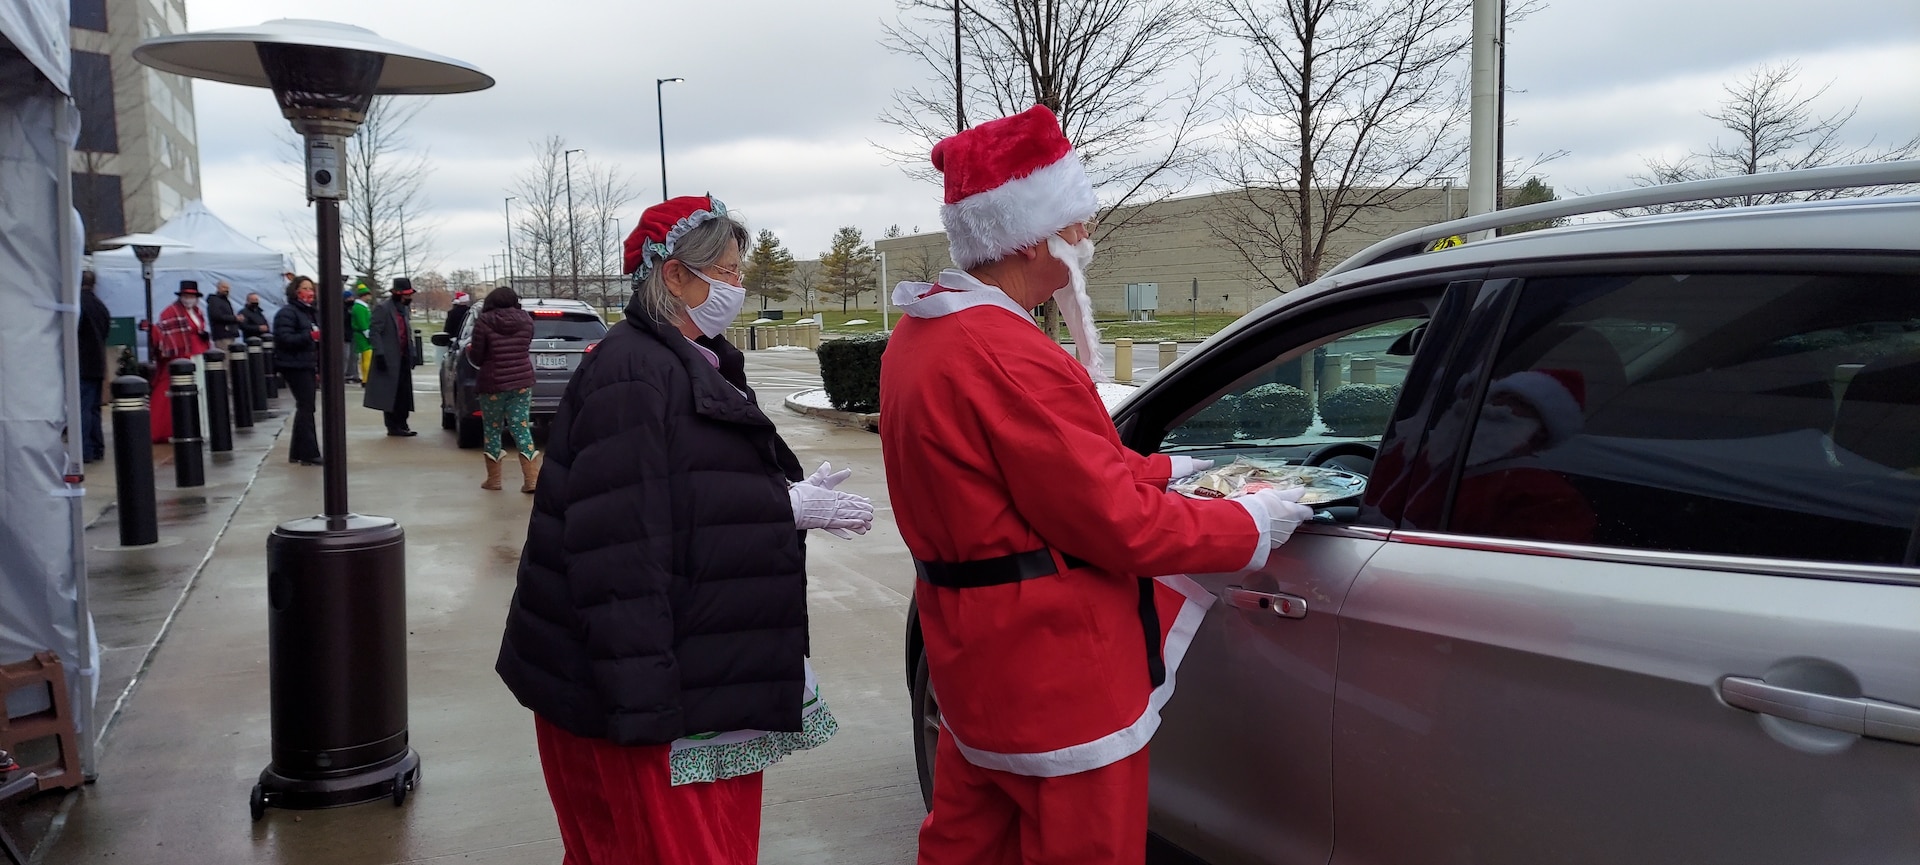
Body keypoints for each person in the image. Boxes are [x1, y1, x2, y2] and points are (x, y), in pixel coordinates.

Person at [877, 106, 1314, 865]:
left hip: (975, 667)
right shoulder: (1008, 350)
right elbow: (1119, 524)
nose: (1085, 239)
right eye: (1076, 223)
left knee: (964, 848)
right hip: (1057, 682)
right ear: (1030, 232)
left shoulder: (923, 336)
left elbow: (1030, 479)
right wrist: (1253, 522)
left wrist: (1172, 469)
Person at [496, 195, 876, 865]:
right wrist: (643, 716)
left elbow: (687, 492)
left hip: (683, 674)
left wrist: (778, 497)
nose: (738, 286)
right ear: (674, 276)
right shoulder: (635, 372)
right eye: (726, 272)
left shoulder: (687, 359)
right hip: (647, 696)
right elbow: (618, 550)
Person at [467, 286, 539, 492]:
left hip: (493, 383)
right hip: (522, 381)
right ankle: (531, 479)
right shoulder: (526, 320)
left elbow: (478, 357)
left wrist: (473, 353)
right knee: (521, 426)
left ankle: (494, 480)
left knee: (492, 429)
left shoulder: (484, 321)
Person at [151, 280, 213, 443]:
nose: (188, 299)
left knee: (199, 391)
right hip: (182, 357)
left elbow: (198, 329)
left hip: (198, 354)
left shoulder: (197, 311)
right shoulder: (170, 312)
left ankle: (200, 425)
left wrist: (203, 336)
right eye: (186, 296)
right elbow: (164, 333)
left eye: (191, 296)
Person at [272, 276, 323, 466]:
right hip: (294, 365)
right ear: (295, 291)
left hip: (306, 363)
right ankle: (309, 452)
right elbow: (284, 338)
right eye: (304, 288)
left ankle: (298, 451)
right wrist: (309, 336)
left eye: (311, 288)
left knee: (305, 406)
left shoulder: (311, 313)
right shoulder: (287, 313)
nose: (309, 292)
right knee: (306, 406)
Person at [364, 278, 417, 436]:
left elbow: (407, 332)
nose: (409, 298)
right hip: (389, 358)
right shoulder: (383, 308)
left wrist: (412, 352)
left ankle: (403, 422)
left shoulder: (405, 310)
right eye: (406, 295)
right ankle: (393, 426)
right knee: (390, 393)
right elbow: (375, 332)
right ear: (398, 294)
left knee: (404, 393)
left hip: (403, 358)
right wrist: (379, 353)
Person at [77, 271, 112, 462]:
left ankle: (85, 450)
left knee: (82, 408)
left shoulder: (78, 305)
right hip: (97, 361)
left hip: (81, 362)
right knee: (94, 408)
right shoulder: (100, 306)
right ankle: (97, 447)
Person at [351, 284, 374, 385]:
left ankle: (366, 378)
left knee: (365, 357)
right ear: (364, 295)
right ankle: (367, 379)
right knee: (367, 357)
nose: (370, 297)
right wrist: (367, 333)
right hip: (362, 334)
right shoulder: (359, 308)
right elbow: (362, 322)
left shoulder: (360, 307)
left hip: (362, 333)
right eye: (368, 294)